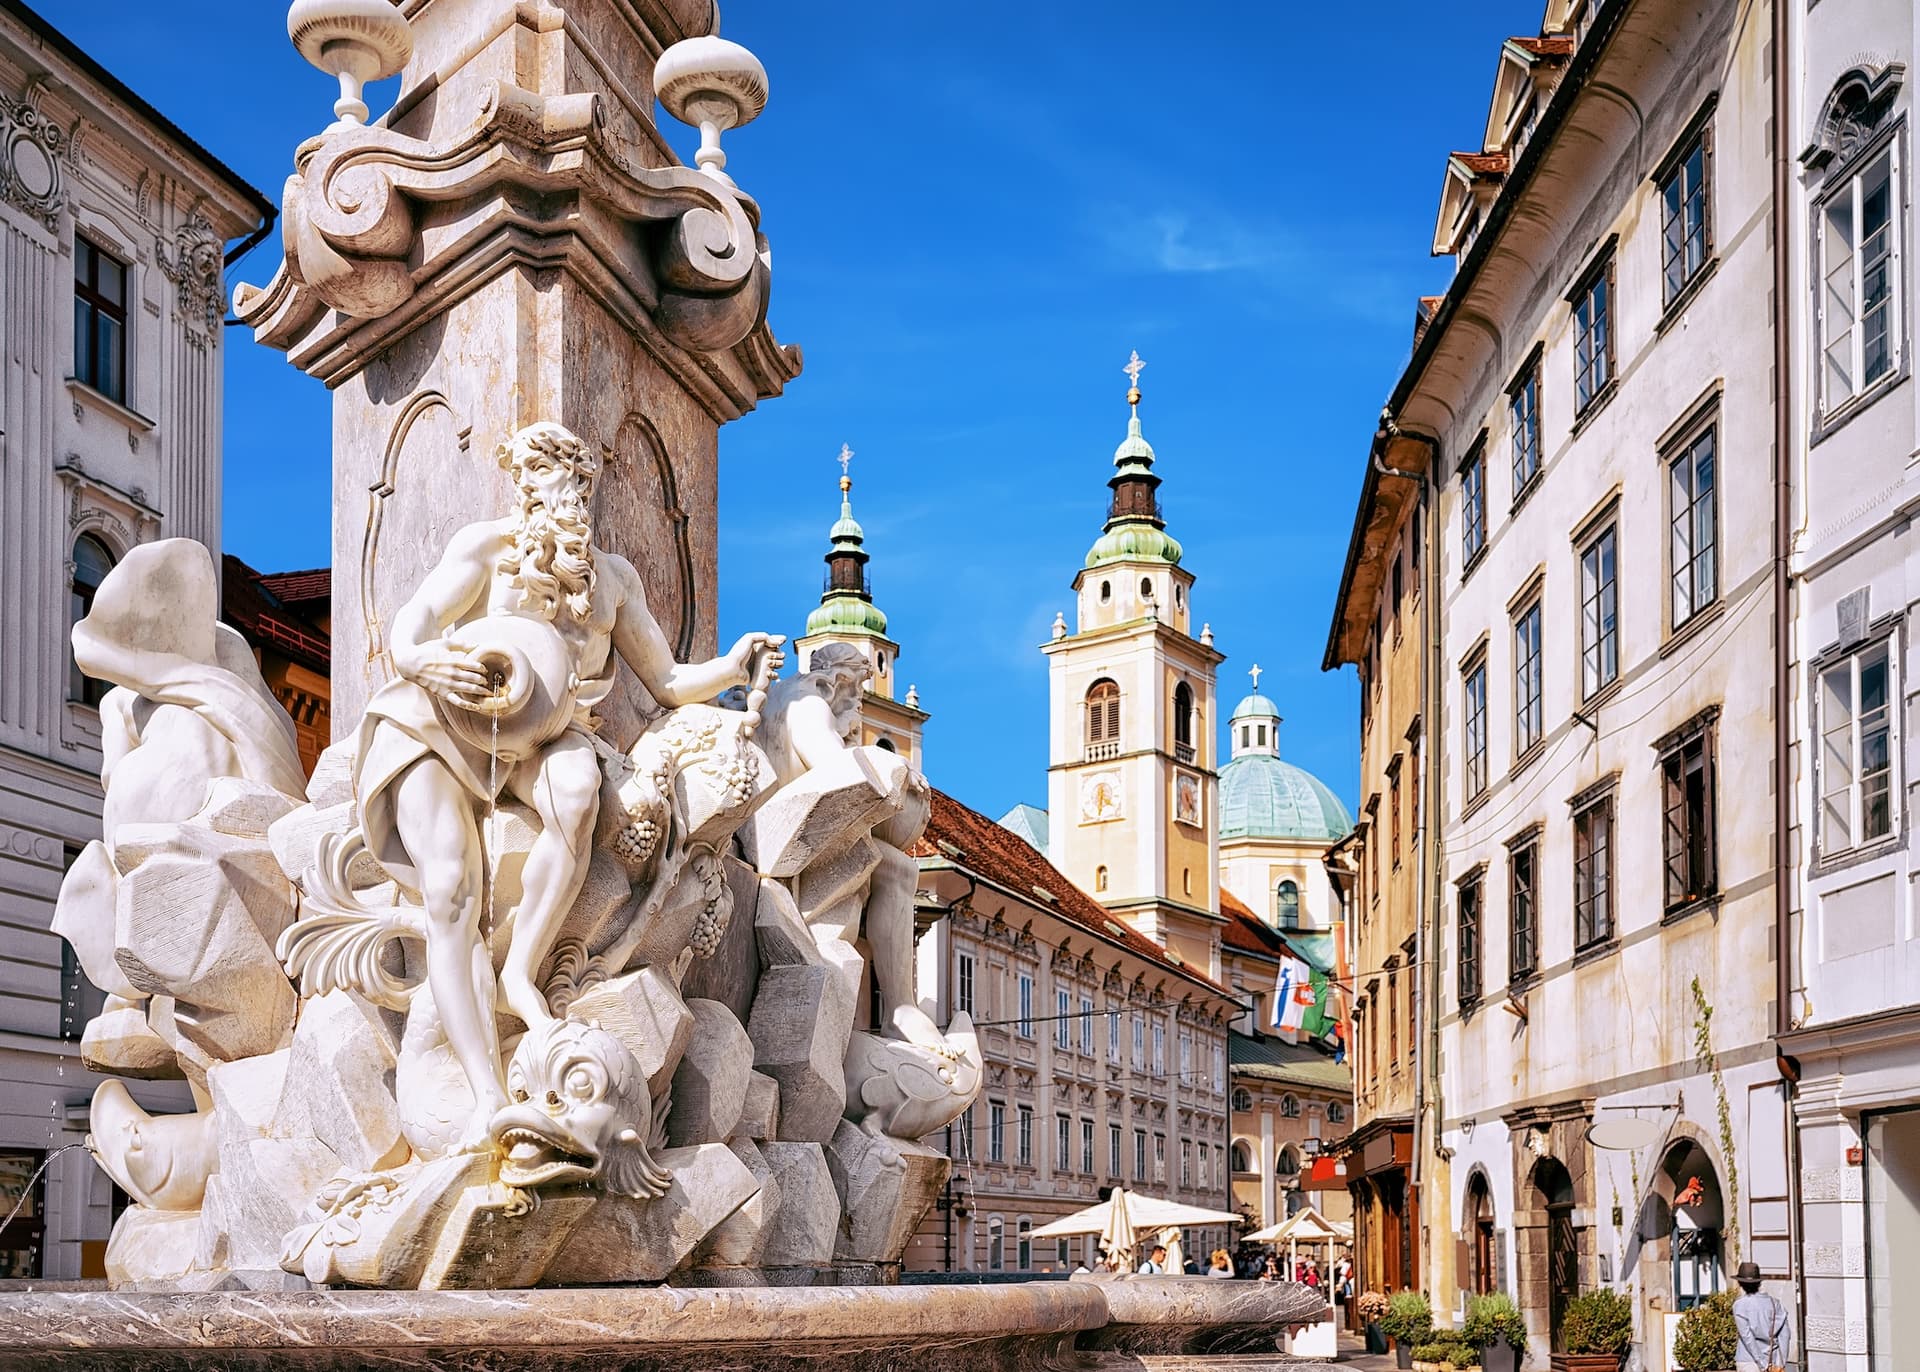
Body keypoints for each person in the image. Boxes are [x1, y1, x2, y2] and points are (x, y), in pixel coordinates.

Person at [351, 421, 782, 1150]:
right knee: (452, 885)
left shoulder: (611, 579)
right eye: (559, 485)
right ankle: (486, 1091)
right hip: (443, 722)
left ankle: (522, 974)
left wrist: (733, 668)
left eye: (584, 486)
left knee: (579, 796)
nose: (575, 499)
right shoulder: (488, 550)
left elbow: (669, 680)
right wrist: (427, 663)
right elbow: (410, 628)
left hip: (544, 738)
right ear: (528, 493)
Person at [1732, 1261, 1789, 1372]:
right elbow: (1785, 1335)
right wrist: (1781, 1364)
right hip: (1773, 1359)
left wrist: (1763, 1364)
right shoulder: (1775, 1303)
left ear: (1740, 1283)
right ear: (1759, 1283)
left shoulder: (1739, 1305)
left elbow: (1747, 1337)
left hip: (1747, 1360)